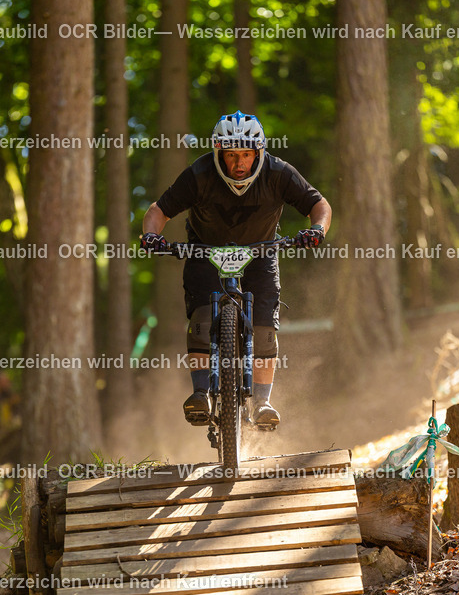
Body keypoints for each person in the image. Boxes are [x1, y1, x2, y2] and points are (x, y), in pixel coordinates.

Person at [140, 111, 332, 429]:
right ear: (218, 153)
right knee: (202, 317)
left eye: (245, 154)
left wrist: (317, 230)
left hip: (261, 252)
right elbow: (159, 211)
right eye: (231, 154)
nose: (239, 163)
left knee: (264, 330)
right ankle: (200, 393)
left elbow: (319, 204)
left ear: (258, 153)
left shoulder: (278, 172)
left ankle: (262, 402)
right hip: (205, 250)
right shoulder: (200, 173)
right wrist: (151, 235)